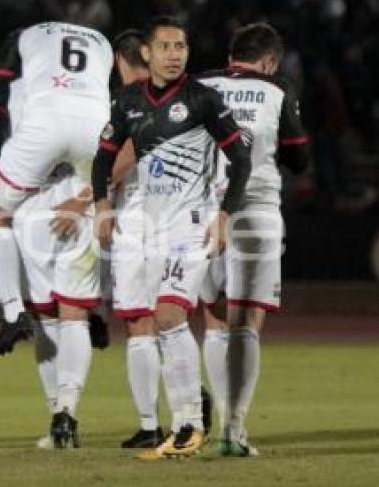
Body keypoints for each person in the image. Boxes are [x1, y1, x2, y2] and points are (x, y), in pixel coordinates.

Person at [92, 16, 252, 459]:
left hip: (192, 225)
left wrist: (223, 215)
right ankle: (185, 424)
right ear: (147, 53)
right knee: (163, 324)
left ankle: (188, 425)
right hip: (152, 227)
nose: (175, 53)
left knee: (167, 316)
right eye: (165, 46)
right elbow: (102, 158)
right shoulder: (127, 101)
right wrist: (103, 206)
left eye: (180, 46)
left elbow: (240, 158)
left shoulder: (202, 99)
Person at [197, 22, 309, 456]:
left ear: (232, 56)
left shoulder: (201, 83)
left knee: (215, 318)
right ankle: (233, 428)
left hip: (204, 211)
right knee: (247, 321)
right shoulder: (278, 88)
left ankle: (220, 416)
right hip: (256, 209)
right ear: (268, 61)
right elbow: (299, 158)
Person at [0, 21, 113, 357]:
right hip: (92, 138)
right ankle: (101, 309)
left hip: (37, 173)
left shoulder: (9, 84)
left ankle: (12, 311)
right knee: (105, 213)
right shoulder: (101, 47)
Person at [107, 30, 214, 449]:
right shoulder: (139, 97)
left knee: (151, 319)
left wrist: (87, 196)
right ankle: (157, 422)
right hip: (139, 219)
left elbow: (129, 152)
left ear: (119, 59)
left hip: (146, 219)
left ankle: (174, 418)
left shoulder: (141, 98)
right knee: (141, 320)